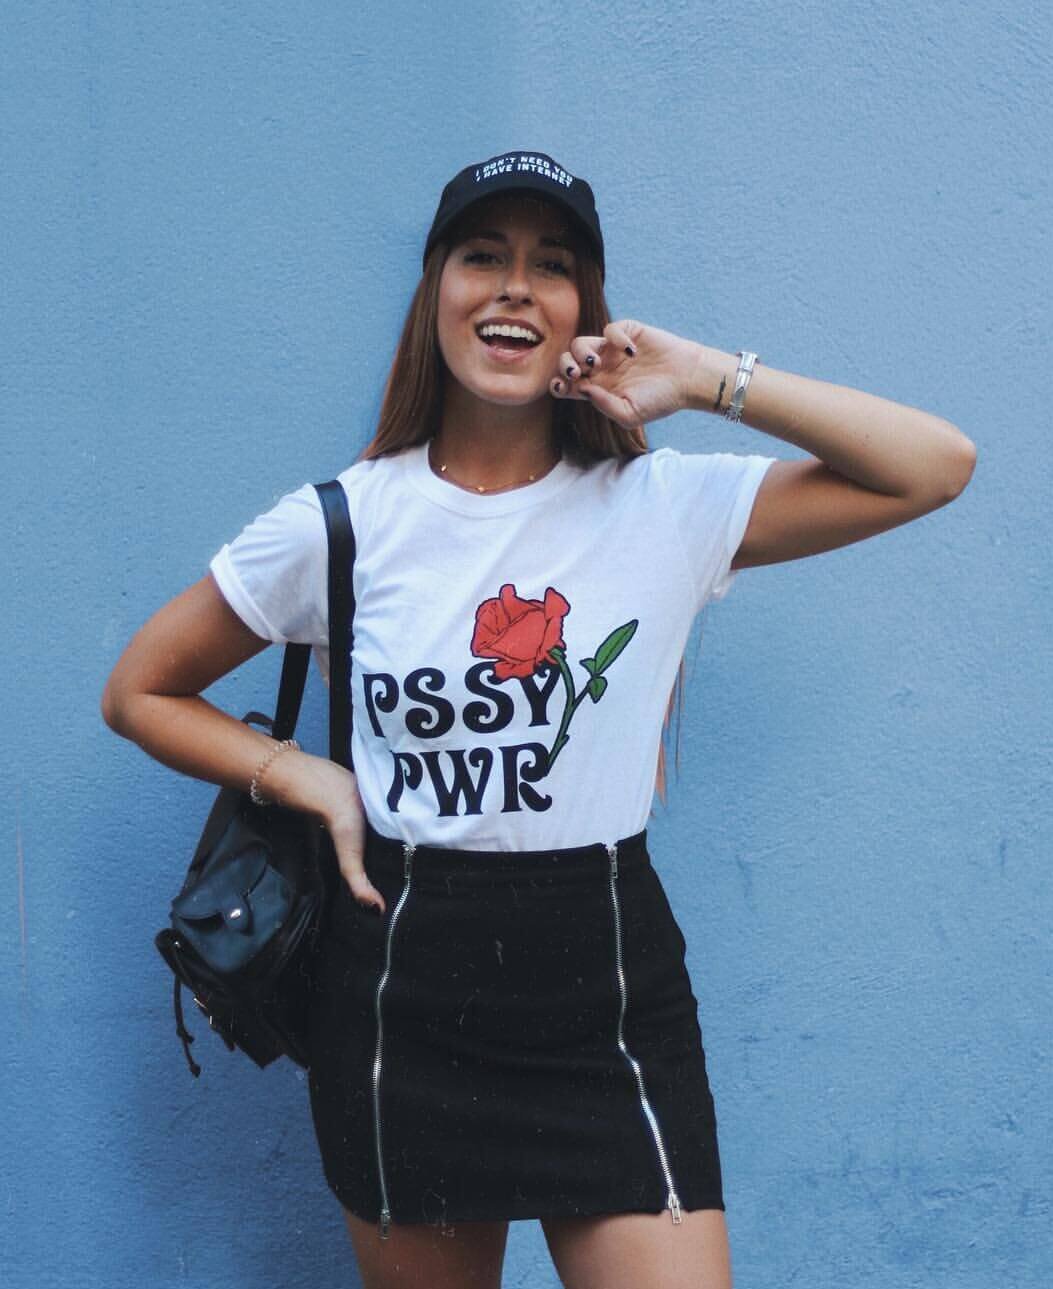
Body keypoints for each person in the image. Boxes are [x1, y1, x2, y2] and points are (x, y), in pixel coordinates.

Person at [101, 149, 977, 1289]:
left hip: (607, 981)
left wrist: (705, 375)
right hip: (400, 984)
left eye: (551, 265)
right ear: (436, 295)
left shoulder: (664, 506)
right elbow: (139, 691)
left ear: (583, 312)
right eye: (484, 256)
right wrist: (302, 775)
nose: (515, 285)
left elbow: (935, 466)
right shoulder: (341, 523)